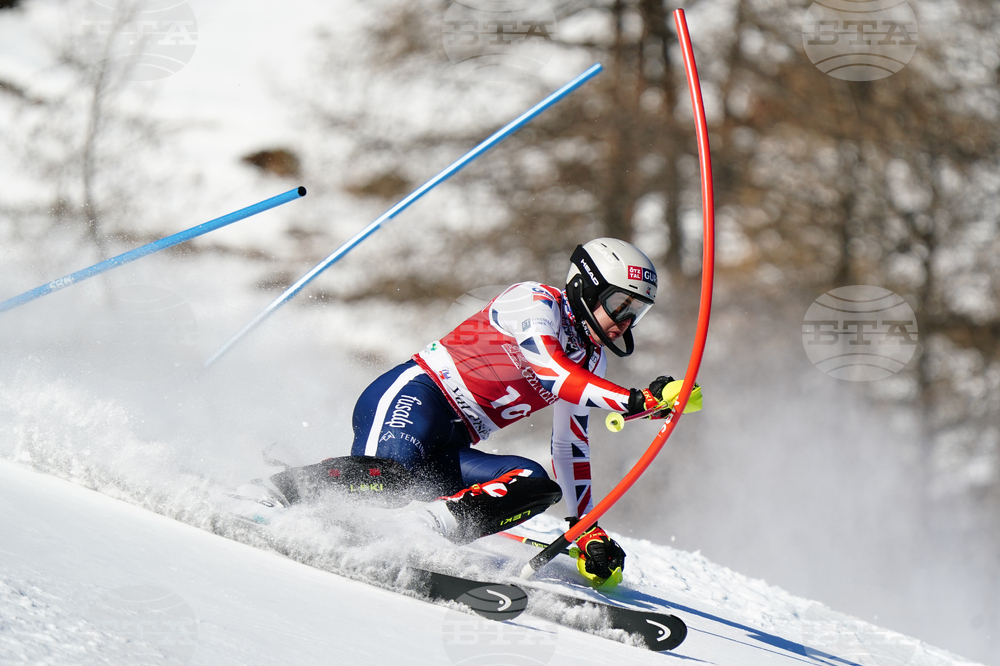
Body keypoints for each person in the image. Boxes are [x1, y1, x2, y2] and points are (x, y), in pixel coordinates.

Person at [240, 238, 702, 588]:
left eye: (635, 313)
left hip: (453, 441)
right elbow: (550, 369)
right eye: (619, 305)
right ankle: (274, 491)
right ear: (586, 287)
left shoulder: (591, 359)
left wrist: (585, 530)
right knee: (391, 477)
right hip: (417, 397)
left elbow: (570, 444)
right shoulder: (536, 302)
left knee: (536, 484)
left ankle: (420, 530)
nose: (625, 321)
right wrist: (635, 400)